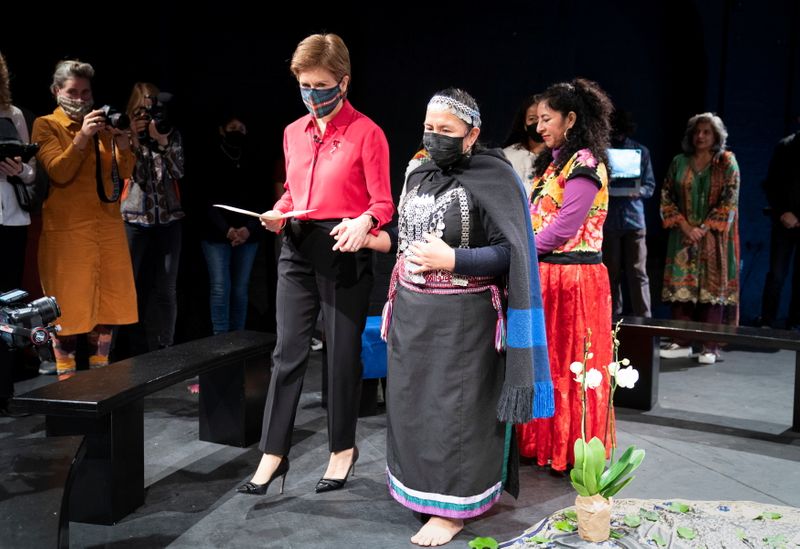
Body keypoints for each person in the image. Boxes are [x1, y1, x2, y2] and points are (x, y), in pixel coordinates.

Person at [362, 88, 553, 547]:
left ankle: (452, 509)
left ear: (472, 135)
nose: (434, 138)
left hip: (463, 320)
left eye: (446, 131)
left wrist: (454, 260)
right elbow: (407, 238)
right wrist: (372, 239)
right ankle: (420, 490)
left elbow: (512, 252)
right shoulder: (418, 171)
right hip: (411, 314)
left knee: (455, 412)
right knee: (413, 408)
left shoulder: (495, 176)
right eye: (429, 128)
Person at [237, 33, 393, 498]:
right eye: (304, 85)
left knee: (342, 357)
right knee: (287, 353)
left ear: (343, 82)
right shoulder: (293, 132)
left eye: (320, 85)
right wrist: (277, 209)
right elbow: (294, 192)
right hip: (296, 245)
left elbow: (383, 202)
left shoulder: (367, 132)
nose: (312, 95)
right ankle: (273, 453)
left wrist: (365, 219)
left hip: (343, 247)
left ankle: (342, 449)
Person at [516, 78, 614, 473]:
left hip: (574, 282)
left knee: (572, 366)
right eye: (536, 120)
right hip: (547, 276)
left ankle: (569, 450)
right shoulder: (554, 164)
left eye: (547, 119)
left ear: (571, 119)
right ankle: (540, 441)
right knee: (546, 363)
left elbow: (565, 227)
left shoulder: (585, 165)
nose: (539, 127)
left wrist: (520, 250)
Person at [31, 60, 137, 377]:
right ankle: (66, 381)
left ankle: (102, 377)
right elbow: (59, 172)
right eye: (73, 92)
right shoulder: (45, 125)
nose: (80, 98)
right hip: (67, 232)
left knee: (108, 301)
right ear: (56, 91)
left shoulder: (100, 126)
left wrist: (121, 143)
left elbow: (126, 173)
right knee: (68, 304)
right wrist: (81, 137)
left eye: (86, 92)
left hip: (106, 227)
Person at [659, 113, 740, 364]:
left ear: (716, 136)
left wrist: (703, 228)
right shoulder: (679, 162)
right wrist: (685, 226)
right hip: (682, 236)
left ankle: (709, 345)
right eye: (696, 132)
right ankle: (681, 342)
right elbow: (666, 195)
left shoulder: (726, 162)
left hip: (714, 238)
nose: (700, 136)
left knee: (711, 291)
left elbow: (730, 199)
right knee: (681, 290)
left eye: (706, 132)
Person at [121, 82, 185, 353]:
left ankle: (165, 344)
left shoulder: (169, 130)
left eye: (155, 102)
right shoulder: (126, 130)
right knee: (128, 284)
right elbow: (136, 175)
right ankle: (126, 345)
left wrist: (161, 141)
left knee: (167, 287)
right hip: (136, 217)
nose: (151, 108)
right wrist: (135, 140)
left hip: (168, 218)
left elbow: (178, 171)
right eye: (146, 102)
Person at [0, 51, 37, 415]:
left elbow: (32, 172)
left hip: (11, 221)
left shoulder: (13, 115)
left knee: (8, 308)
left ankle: (5, 389)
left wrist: (18, 168)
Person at [201, 115, 262, 334]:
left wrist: (247, 229)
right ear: (222, 130)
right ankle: (220, 338)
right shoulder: (211, 157)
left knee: (240, 289)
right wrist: (226, 230)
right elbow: (205, 199)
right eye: (232, 127)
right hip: (217, 233)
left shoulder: (253, 157)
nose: (238, 131)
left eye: (242, 128)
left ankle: (237, 338)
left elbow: (262, 199)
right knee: (220, 287)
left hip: (248, 233)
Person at [602, 110, 656, 317]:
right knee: (611, 272)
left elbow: (649, 186)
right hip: (610, 220)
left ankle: (645, 318)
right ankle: (613, 317)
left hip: (634, 219)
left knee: (638, 272)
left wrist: (638, 191)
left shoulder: (640, 151)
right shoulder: (602, 153)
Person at [760, 123, 800, 329]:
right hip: (784, 220)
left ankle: (794, 323)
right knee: (776, 274)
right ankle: (767, 321)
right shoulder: (785, 146)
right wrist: (783, 212)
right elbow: (771, 184)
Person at [502, 94, 547, 196]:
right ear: (525, 125)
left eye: (544, 119)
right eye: (532, 119)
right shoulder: (506, 157)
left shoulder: (560, 157)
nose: (538, 125)